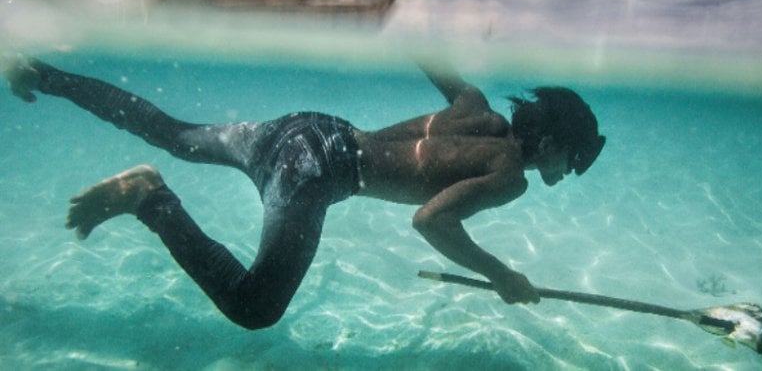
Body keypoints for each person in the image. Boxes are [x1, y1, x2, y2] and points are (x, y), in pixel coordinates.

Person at [2, 54, 605, 330]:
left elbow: (426, 49)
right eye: (571, 161)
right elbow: (432, 221)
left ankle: (40, 74)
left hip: (309, 129)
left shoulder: (473, 104)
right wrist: (501, 274)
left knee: (174, 134)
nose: (565, 174)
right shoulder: (509, 174)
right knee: (255, 309)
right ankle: (147, 197)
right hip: (317, 170)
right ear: (551, 140)